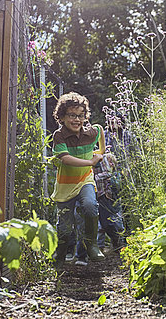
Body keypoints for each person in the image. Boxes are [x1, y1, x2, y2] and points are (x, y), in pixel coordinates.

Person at [51, 92, 106, 268]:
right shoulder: (59, 136)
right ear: (61, 117)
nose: (77, 120)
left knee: (90, 206)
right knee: (65, 228)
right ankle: (60, 254)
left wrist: (99, 154)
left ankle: (92, 244)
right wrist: (91, 161)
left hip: (85, 179)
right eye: (72, 115)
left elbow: (99, 133)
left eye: (81, 115)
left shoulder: (91, 133)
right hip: (65, 185)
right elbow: (65, 158)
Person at [95, 152, 125, 253]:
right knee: (104, 223)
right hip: (101, 197)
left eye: (112, 162)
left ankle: (117, 241)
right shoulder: (98, 162)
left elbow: (109, 174)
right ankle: (111, 243)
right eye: (109, 162)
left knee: (112, 221)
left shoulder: (115, 174)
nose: (111, 164)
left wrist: (96, 178)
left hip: (109, 196)